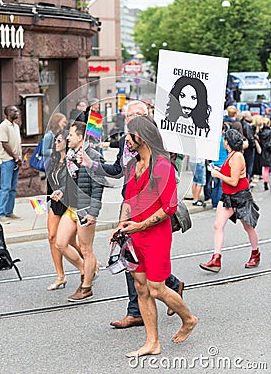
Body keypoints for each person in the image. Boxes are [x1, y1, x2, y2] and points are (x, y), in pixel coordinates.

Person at [78, 100, 184, 328]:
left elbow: (167, 194)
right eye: (128, 116)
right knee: (131, 261)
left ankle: (171, 301)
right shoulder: (127, 147)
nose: (130, 120)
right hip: (129, 204)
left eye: (136, 116)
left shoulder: (160, 150)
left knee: (150, 271)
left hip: (152, 211)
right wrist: (91, 165)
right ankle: (139, 309)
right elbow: (117, 171)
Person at [110, 116, 197, 357]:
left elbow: (168, 208)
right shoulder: (132, 166)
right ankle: (152, 343)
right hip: (134, 236)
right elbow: (128, 200)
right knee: (141, 287)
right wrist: (121, 227)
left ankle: (188, 319)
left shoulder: (162, 166)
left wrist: (139, 226)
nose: (126, 139)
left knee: (157, 288)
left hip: (156, 235)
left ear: (143, 137)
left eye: (130, 135)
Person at [54, 121, 104, 301]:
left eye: (71, 134)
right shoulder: (70, 155)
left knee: (86, 248)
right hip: (71, 206)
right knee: (60, 243)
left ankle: (86, 287)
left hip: (85, 209)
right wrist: (61, 191)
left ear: (81, 137)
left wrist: (93, 212)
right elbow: (70, 180)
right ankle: (86, 270)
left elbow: (98, 186)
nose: (68, 137)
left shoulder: (93, 156)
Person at [199, 129, 260, 272]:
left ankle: (255, 253)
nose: (223, 141)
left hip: (240, 196)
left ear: (228, 141)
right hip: (227, 196)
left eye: (224, 139)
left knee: (248, 227)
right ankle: (216, 259)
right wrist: (219, 170)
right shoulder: (231, 154)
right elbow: (231, 174)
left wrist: (217, 174)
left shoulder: (237, 156)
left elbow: (233, 181)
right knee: (218, 225)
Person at [46, 129, 69, 291]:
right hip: (55, 202)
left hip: (68, 203)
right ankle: (60, 276)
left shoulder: (72, 160)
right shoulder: (54, 159)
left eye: (59, 141)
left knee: (72, 241)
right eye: (56, 141)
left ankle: (89, 265)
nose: (56, 143)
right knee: (52, 236)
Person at [0, 105, 22, 224]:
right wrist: (15, 157)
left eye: (17, 110)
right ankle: (1, 213)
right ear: (7, 113)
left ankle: (9, 211)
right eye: (13, 111)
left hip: (15, 160)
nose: (16, 112)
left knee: (13, 188)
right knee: (5, 187)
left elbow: (18, 143)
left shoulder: (16, 126)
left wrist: (20, 158)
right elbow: (5, 144)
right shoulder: (3, 126)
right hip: (7, 160)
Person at [257, 117, 271, 190]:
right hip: (269, 151)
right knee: (267, 168)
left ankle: (265, 182)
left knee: (265, 168)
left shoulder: (260, 132)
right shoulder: (270, 132)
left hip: (263, 151)